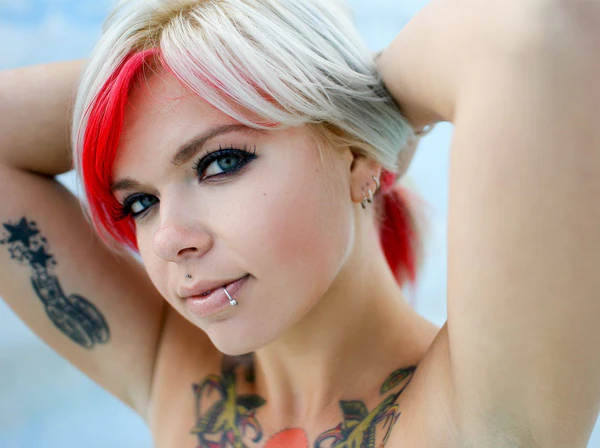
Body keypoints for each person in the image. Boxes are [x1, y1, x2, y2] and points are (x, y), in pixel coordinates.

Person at [1, 0, 599, 446]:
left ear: (356, 157)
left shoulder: (482, 411)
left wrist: (358, 90)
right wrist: (163, 64)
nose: (168, 240)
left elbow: (533, 32)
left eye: (220, 163)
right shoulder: (172, 371)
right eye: (139, 203)